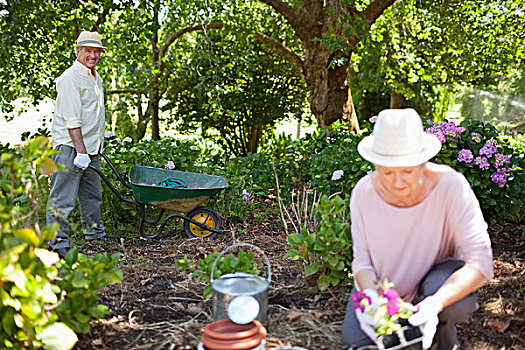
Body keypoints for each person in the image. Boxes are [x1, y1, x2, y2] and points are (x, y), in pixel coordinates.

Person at [341, 109, 493, 350]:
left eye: (408, 171)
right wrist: (370, 297)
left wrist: (436, 303)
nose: (398, 183)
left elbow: (481, 262)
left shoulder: (451, 186)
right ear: (375, 163)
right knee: (354, 341)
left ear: (424, 162)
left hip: (438, 279)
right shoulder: (363, 194)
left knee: (454, 305)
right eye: (388, 172)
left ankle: (444, 340)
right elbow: (362, 262)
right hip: (387, 286)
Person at [46, 31, 113, 258]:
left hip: (91, 148)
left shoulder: (95, 77)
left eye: (96, 51)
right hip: (70, 148)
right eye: (88, 51)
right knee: (63, 197)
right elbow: (71, 119)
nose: (93, 55)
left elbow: (91, 113)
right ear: (77, 51)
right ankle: (56, 244)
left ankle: (94, 234)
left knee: (92, 195)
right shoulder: (70, 78)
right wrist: (80, 152)